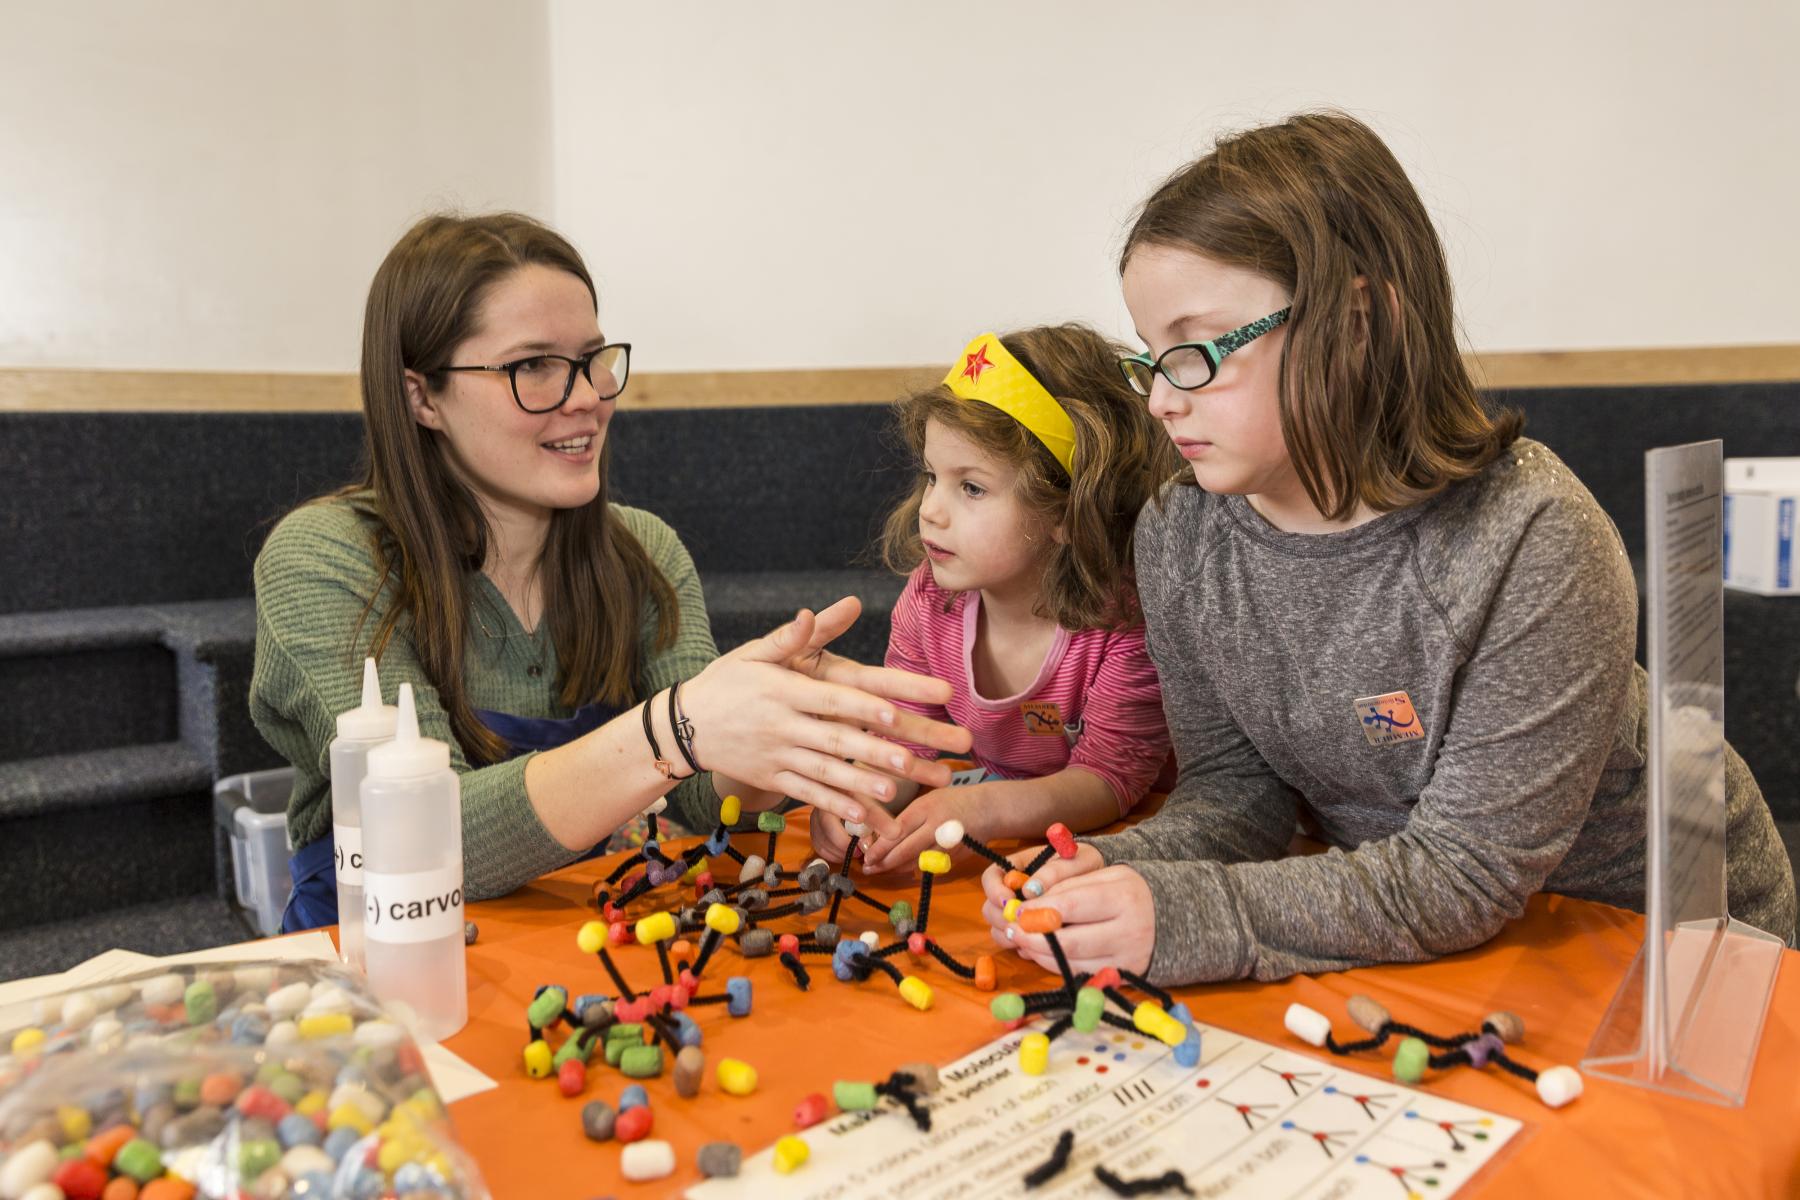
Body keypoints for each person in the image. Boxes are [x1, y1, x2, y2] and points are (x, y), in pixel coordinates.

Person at [983, 112, 1797, 983]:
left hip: (1659, 953)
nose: (1160, 402)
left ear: (1357, 319)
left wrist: (1185, 913)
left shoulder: (1534, 535)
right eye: (1150, 356)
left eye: (1195, 350)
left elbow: (1466, 871)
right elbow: (1236, 794)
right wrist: (1118, 868)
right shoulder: (1181, 532)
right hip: (1418, 936)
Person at [251, 212, 970, 929]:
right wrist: (676, 729)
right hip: (383, 956)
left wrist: (761, 731)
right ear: (422, 397)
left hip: (575, 940)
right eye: (532, 366)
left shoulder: (644, 550)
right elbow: (430, 834)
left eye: (594, 359)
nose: (589, 396)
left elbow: (699, 802)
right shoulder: (325, 558)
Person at [820, 324, 1177, 875]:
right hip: (1006, 831)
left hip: (1129, 842)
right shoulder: (929, 600)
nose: (930, 510)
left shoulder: (1126, 621)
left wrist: (979, 807)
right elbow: (909, 739)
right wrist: (864, 800)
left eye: (972, 487)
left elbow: (1109, 780)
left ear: (1065, 512)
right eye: (932, 476)